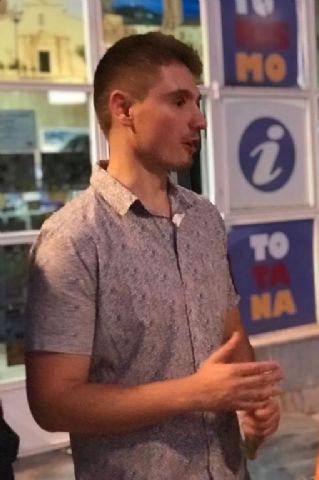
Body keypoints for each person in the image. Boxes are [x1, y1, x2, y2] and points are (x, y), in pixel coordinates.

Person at [25, 32, 282, 480]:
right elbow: (53, 401)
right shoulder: (73, 239)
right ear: (123, 109)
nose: (199, 120)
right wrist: (194, 393)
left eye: (197, 102)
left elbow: (229, 330)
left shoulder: (204, 219)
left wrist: (250, 398)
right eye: (179, 102)